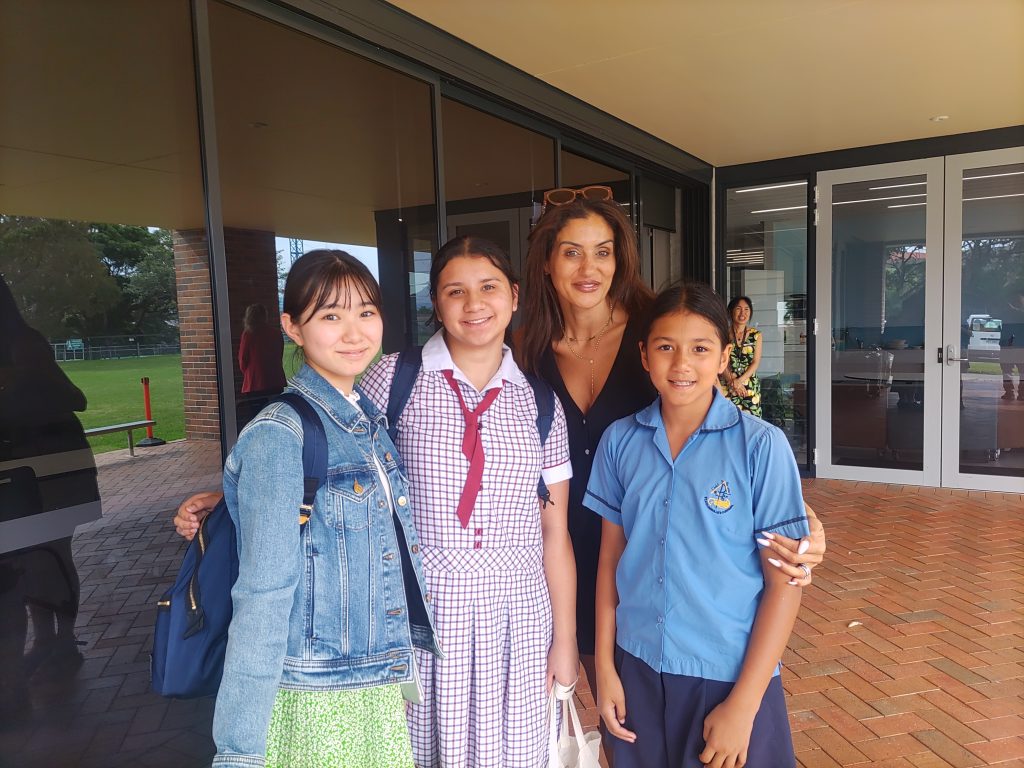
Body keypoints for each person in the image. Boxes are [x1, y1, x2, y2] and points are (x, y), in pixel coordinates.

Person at [180, 237, 577, 768]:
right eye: (455, 291)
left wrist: (566, 639)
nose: (474, 304)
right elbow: (316, 443)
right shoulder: (390, 377)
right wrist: (244, 493)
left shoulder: (540, 401)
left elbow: (554, 530)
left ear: (515, 295)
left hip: (512, 621)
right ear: (435, 302)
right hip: (413, 620)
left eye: (489, 287)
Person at [516, 190, 825, 730]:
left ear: (620, 259)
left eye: (603, 252)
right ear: (546, 261)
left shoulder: (656, 331)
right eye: (571, 252)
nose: (589, 268)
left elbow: (718, 436)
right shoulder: (525, 348)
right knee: (595, 716)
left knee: (630, 719)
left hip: (641, 555)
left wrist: (804, 524)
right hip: (553, 558)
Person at [211, 250, 438, 768]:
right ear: (292, 327)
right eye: (331, 315)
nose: (354, 333)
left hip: (370, 684)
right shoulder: (280, 434)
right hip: (316, 697)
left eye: (366, 312)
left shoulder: (366, 421)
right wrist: (238, 750)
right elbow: (262, 594)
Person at [587, 281, 807, 768]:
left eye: (701, 349)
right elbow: (609, 562)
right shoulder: (619, 442)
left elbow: (784, 584)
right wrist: (605, 667)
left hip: (727, 677)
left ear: (725, 356)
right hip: (637, 668)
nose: (681, 364)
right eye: (666, 347)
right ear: (644, 356)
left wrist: (744, 705)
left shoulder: (760, 446)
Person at [237, 302, 286, 425]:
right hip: (275, 379)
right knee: (275, 414)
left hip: (255, 382)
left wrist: (248, 374)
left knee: (257, 415)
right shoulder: (276, 333)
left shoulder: (248, 334)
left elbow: (243, 359)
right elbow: (279, 355)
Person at [721, 296, 763, 417]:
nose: (742, 313)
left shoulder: (756, 335)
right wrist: (732, 382)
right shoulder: (723, 334)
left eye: (746, 309)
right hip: (727, 384)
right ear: (731, 311)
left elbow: (755, 362)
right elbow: (720, 360)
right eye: (738, 309)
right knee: (727, 419)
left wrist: (739, 381)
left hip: (749, 386)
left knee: (751, 421)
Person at [1000, 285, 1024, 400]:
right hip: (1007, 346)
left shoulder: (1020, 314)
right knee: (1006, 371)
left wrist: (1013, 309)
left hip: (1020, 347)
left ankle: (1022, 393)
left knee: (1022, 371)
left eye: (1018, 301)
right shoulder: (1005, 313)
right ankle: (1009, 392)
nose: (1016, 303)